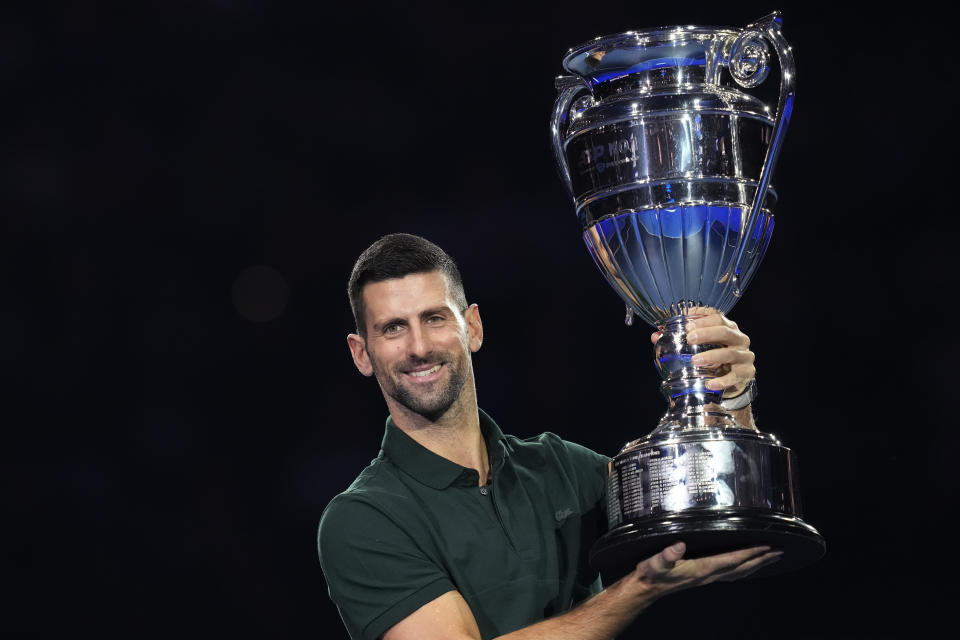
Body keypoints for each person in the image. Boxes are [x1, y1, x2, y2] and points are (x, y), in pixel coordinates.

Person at [318, 233, 777, 640]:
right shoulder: (362, 519)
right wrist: (638, 590)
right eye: (393, 328)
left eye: (435, 318)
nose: (419, 347)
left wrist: (729, 393)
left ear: (472, 327)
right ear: (361, 354)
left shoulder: (559, 467)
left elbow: (718, 514)